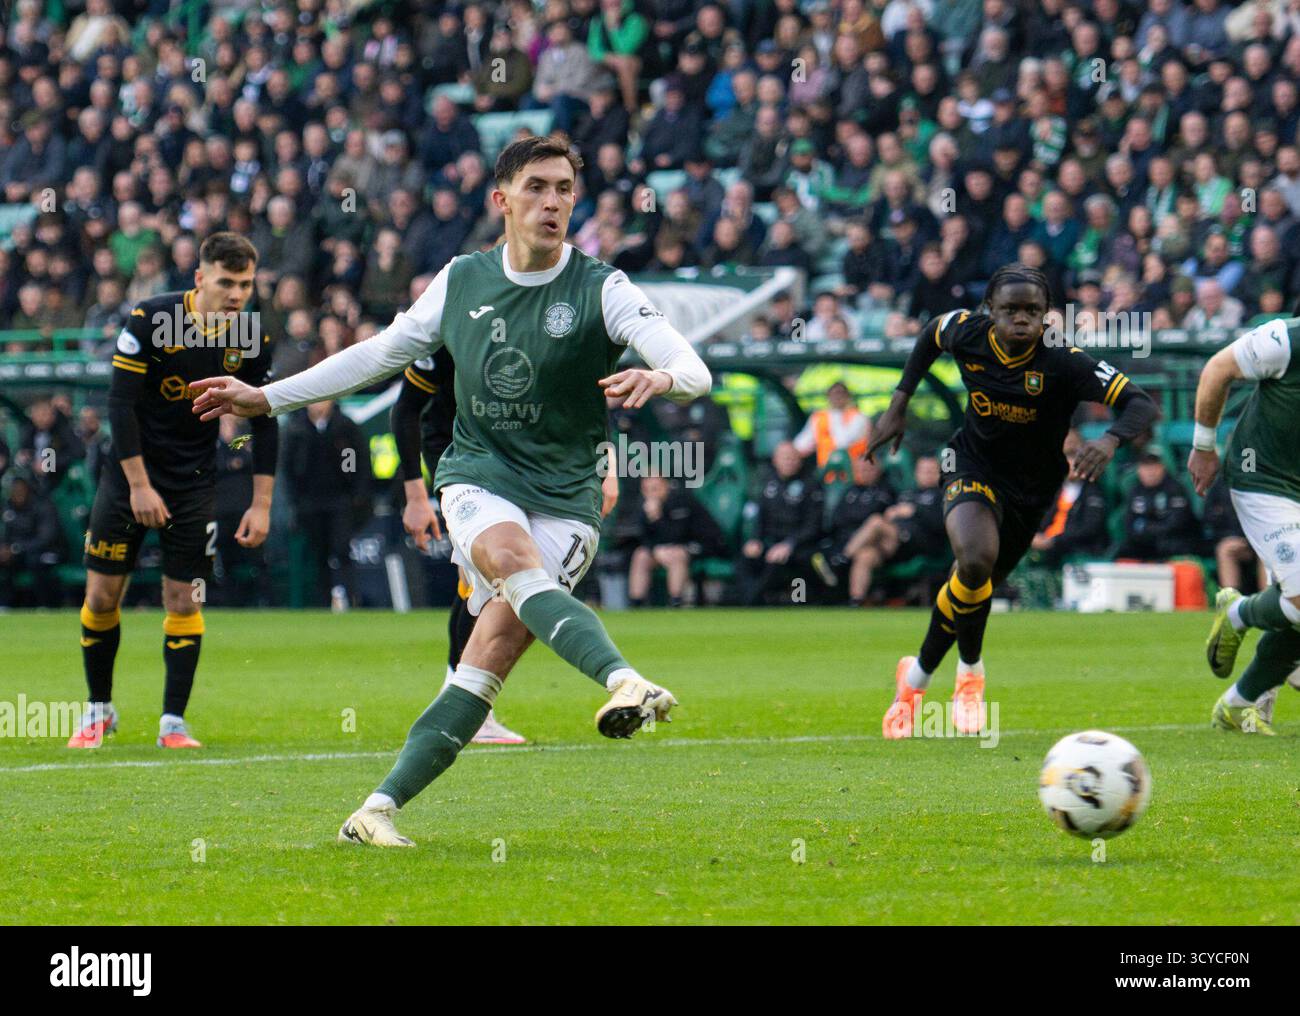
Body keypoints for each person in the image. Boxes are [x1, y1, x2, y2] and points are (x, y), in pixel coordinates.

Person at [189, 136, 711, 848]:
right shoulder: (461, 279)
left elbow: (694, 367)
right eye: (536, 188)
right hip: (478, 474)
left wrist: (662, 376)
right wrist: (265, 398)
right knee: (505, 554)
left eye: (563, 188)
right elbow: (377, 355)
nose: (552, 202)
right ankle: (625, 678)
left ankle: (373, 811)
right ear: (502, 200)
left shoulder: (603, 288)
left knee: (484, 663)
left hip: (571, 493)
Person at [868, 263, 1158, 739]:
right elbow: (929, 334)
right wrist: (899, 402)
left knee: (969, 584)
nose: (1021, 319)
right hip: (971, 466)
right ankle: (970, 675)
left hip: (1032, 491)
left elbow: (1141, 402)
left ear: (1047, 315)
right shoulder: (967, 331)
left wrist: (1108, 441)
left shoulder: (1064, 360)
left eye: (1032, 311)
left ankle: (914, 680)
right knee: (976, 560)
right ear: (990, 311)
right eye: (1010, 310)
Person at [67, 232, 278, 750]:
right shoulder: (151, 319)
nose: (237, 294)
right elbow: (119, 406)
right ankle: (99, 709)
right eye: (227, 282)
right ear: (200, 278)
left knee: (184, 599)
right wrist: (139, 486)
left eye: (246, 284)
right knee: (101, 594)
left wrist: (261, 502)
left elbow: (263, 419)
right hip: (128, 479)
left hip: (193, 483)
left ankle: (173, 723)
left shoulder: (250, 335)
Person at [1191, 316, 1300, 735]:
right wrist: (1203, 447)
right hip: (1264, 479)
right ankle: (1239, 613)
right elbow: (1219, 368)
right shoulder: (1285, 339)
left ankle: (1237, 705)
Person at [282, 400, 370, 610]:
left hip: (340, 499)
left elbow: (360, 462)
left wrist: (357, 494)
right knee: (319, 553)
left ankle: (352, 597)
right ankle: (323, 602)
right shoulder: (296, 428)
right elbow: (288, 467)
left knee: (341, 548)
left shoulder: (345, 427)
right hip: (310, 502)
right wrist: (295, 499)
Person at [626, 473, 721, 607]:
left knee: (676, 554)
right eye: (646, 490)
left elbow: (677, 536)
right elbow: (643, 537)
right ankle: (636, 604)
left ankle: (675, 602)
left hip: (700, 545)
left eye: (655, 488)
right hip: (663, 550)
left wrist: (656, 517)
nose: (651, 493)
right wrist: (654, 549)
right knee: (640, 555)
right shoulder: (645, 506)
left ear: (665, 486)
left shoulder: (681, 500)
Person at [1113, 450, 1198, 561]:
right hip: (1144, 541)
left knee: (1170, 546)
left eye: (1154, 467)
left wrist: (1146, 528)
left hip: (1172, 539)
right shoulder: (1135, 490)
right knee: (1122, 550)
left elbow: (1177, 522)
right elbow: (1129, 522)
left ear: (1162, 467)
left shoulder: (1175, 489)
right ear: (1139, 470)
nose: (1150, 472)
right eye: (1145, 467)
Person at [792, 381, 871, 473]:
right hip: (826, 472)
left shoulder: (858, 417)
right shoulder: (819, 417)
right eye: (833, 394)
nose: (837, 398)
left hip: (853, 473)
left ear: (848, 396)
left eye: (841, 394)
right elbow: (801, 444)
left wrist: (835, 415)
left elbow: (842, 442)